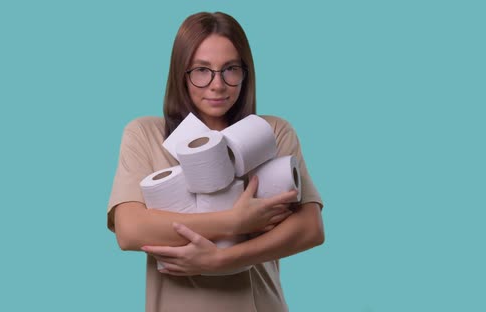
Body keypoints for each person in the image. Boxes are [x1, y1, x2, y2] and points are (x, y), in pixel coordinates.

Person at [107, 11, 324, 312]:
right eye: (201, 70)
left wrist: (224, 260)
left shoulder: (271, 133)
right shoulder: (145, 134)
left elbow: (310, 227)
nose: (217, 84)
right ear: (180, 72)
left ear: (245, 73)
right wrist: (235, 221)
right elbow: (130, 230)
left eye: (230, 69)